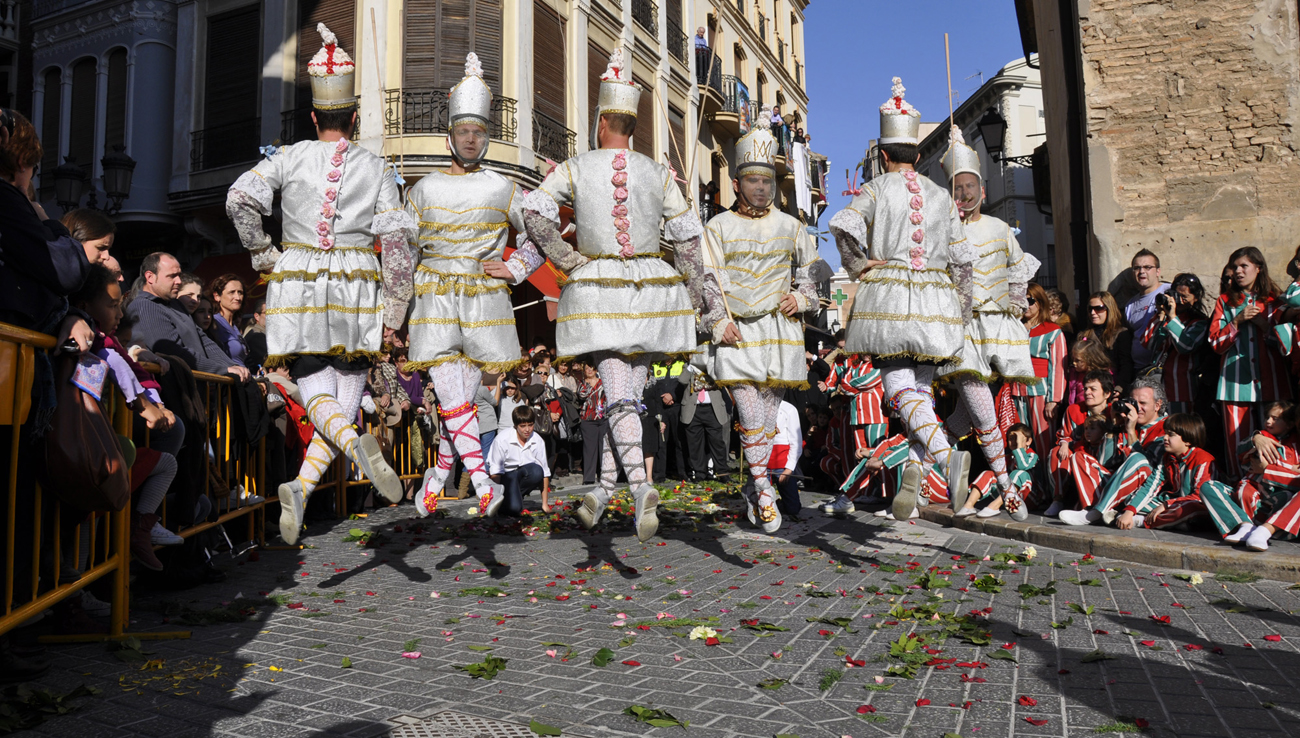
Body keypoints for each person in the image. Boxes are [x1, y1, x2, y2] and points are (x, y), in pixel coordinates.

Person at [522, 48, 725, 542]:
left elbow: (532, 212)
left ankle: (638, 488)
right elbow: (690, 245)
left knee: (616, 396)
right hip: (654, 292)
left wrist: (566, 260)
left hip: (601, 294)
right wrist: (713, 311)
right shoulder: (658, 173)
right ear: (632, 125)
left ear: (600, 123)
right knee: (629, 397)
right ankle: (603, 491)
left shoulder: (575, 165)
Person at [225, 24, 412, 543]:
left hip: (298, 283)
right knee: (346, 398)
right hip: (356, 286)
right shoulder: (377, 167)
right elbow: (397, 246)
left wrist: (265, 254)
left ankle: (302, 490)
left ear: (312, 116)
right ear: (355, 116)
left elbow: (239, 199)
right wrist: (395, 314)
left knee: (320, 394)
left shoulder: (286, 157)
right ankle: (353, 451)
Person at [401, 54, 545, 519]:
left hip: (484, 304)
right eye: (464, 130)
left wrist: (517, 266)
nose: (471, 138)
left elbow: (539, 232)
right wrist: (391, 315)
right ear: (451, 134)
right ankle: (483, 481)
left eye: (479, 131)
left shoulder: (504, 188)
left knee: (455, 403)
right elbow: (403, 255)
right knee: (454, 398)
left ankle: (438, 477)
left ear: (486, 137)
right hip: (435, 301)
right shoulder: (420, 190)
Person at [828, 77, 974, 522]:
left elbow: (843, 226)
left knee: (896, 387)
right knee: (922, 393)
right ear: (915, 153)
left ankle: (946, 460)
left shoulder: (875, 187)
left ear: (885, 155)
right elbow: (963, 259)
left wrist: (859, 265)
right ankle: (913, 469)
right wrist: (960, 312)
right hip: (936, 299)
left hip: (890, 297)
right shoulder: (941, 196)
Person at [702, 106, 826, 532]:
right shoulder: (716, 227)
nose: (761, 188)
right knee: (752, 415)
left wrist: (801, 299)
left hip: (779, 331)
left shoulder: (793, 227)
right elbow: (706, 280)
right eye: (753, 180)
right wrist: (718, 322)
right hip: (736, 332)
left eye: (767, 181)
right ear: (737, 183)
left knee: (767, 420)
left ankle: (758, 490)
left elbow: (812, 276)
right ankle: (763, 486)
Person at [936, 126, 1040, 521]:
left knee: (959, 420)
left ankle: (911, 463)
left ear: (980, 188)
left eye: (969, 186)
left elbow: (1018, 271)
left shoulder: (999, 228)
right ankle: (1006, 486)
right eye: (956, 188)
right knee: (982, 414)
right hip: (960, 333)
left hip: (995, 330)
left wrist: (1015, 306)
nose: (963, 194)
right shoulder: (944, 232)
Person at [1208, 246, 1290, 480]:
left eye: (1244, 266)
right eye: (1234, 267)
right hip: (1234, 385)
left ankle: (1274, 488)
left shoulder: (1276, 300)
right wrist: (1236, 321)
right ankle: (1239, 490)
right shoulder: (1225, 301)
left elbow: (1288, 343)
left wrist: (1264, 326)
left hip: (1272, 383)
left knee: (1276, 440)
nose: (1238, 271)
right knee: (1237, 443)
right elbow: (1215, 343)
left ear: (1258, 268)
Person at [1060, 377, 1169, 526]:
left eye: (1143, 403)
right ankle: (1091, 508)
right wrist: (1113, 427)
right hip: (1116, 487)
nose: (1137, 409)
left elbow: (1147, 468)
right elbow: (1104, 462)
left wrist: (1131, 432)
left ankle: (1096, 512)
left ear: (1157, 405)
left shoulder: (1167, 429)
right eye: (1134, 403)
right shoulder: (1127, 422)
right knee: (1079, 457)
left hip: (1144, 493)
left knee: (1138, 458)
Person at [125, 253, 247, 378]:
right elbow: (173, 352)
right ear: (150, 277)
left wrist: (231, 366)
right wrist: (222, 370)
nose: (178, 281)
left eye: (179, 275)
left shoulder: (176, 305)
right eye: (172, 276)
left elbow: (203, 340)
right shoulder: (145, 306)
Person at [1202, 402, 1300, 552]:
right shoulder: (1263, 436)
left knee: (1286, 495)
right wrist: (1256, 438)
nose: (1268, 422)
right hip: (1252, 495)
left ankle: (1264, 531)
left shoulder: (1295, 445)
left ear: (1290, 424)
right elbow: (1241, 452)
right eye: (1267, 417)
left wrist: (1267, 469)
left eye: (1275, 418)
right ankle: (1244, 526)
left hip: (1276, 504)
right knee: (1209, 487)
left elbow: (1296, 480)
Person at [1011, 282, 1067, 494]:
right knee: (1018, 441)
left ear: (1040, 302)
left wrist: (1054, 400)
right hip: (1015, 393)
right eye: (1021, 300)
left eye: (1031, 300)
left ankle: (1052, 492)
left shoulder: (1053, 331)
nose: (1026, 305)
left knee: (1044, 444)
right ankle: (1025, 488)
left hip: (1042, 394)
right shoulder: (1012, 328)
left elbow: (1058, 368)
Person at [1048, 370, 1120, 516]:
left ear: (1107, 393)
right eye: (1085, 388)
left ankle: (1091, 508)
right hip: (1078, 458)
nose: (1087, 392)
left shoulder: (1114, 411)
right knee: (1056, 452)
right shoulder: (1074, 409)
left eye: (1093, 389)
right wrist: (1064, 443)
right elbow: (1064, 435)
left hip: (1105, 464)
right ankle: (1058, 499)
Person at [1128, 413, 1216, 530]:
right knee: (1133, 500)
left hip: (1196, 504)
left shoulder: (1203, 459)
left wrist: (1166, 505)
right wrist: (1130, 510)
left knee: (1189, 509)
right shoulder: (1167, 457)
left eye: (1171, 435)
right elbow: (1152, 483)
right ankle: (1175, 523)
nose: (1165, 438)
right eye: (1165, 433)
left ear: (1187, 440)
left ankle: (1142, 521)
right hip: (1174, 501)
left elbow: (1199, 496)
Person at [1141, 272, 1211, 414]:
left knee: (1181, 430)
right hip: (1160, 388)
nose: (1179, 301)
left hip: (1183, 390)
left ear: (1195, 298)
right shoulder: (1164, 316)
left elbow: (1186, 346)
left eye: (1184, 297)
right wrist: (1160, 314)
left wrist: (1173, 318)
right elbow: (1147, 343)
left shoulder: (1199, 322)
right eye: (1177, 295)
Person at [955, 424, 1038, 518]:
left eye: (1017, 438)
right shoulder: (1008, 458)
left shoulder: (1032, 456)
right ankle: (969, 505)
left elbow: (1023, 466)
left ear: (1028, 441)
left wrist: (1019, 446)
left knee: (1019, 473)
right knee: (990, 474)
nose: (1014, 441)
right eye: (1011, 438)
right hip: (1008, 500)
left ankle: (994, 506)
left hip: (1029, 499)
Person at [486, 405, 551, 516]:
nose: (527, 430)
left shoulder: (538, 440)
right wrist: (494, 502)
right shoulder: (502, 440)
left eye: (530, 425)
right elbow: (495, 473)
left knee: (537, 471)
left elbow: (544, 473)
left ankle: (514, 497)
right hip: (506, 477)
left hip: (523, 475)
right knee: (514, 509)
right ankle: (507, 501)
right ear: (516, 426)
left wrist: (544, 504)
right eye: (523, 426)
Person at [679, 364, 730, 482]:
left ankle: (722, 473)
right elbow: (682, 380)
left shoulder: (713, 364)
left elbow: (723, 378)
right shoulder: (688, 366)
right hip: (693, 409)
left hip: (712, 409)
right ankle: (699, 474)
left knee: (717, 443)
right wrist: (691, 366)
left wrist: (709, 365)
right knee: (695, 444)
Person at [1123, 248, 1169, 371]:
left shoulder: (1168, 292)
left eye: (1147, 267)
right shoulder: (1130, 305)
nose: (1141, 271)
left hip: (1163, 368)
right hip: (1139, 369)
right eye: (1137, 268)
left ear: (1158, 271)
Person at [1079, 291, 1133, 389]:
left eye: (1098, 308)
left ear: (1109, 309)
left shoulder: (1121, 334)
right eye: (1090, 309)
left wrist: (1120, 388)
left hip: (1111, 386)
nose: (1093, 313)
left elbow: (1126, 365)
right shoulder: (1083, 335)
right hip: (1087, 388)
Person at [207, 274, 249, 366]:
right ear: (217, 296)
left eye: (240, 292)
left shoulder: (235, 325)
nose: (237, 297)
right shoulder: (214, 323)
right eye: (232, 292)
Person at [1064, 334, 1113, 406]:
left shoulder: (1102, 376)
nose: (1074, 363)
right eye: (1073, 360)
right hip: (1078, 410)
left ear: (1090, 360)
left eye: (1078, 360)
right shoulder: (1075, 373)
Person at [577, 361, 606, 485]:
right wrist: (588, 384)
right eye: (587, 369)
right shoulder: (582, 384)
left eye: (592, 368)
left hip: (603, 417)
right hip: (588, 419)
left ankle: (605, 476)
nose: (589, 371)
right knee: (589, 449)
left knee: (604, 447)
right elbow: (582, 395)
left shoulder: (603, 382)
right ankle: (589, 478)